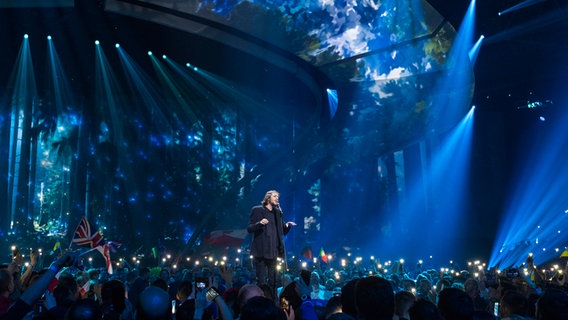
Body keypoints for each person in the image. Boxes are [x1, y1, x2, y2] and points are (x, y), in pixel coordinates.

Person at [247, 190, 296, 297]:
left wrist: (287, 225)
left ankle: (273, 301)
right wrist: (259, 223)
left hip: (274, 252)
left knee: (273, 282)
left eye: (278, 197)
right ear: (268, 198)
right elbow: (249, 228)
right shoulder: (257, 210)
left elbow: (282, 231)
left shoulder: (277, 212)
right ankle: (261, 301)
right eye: (275, 196)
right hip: (261, 252)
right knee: (261, 281)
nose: (277, 198)